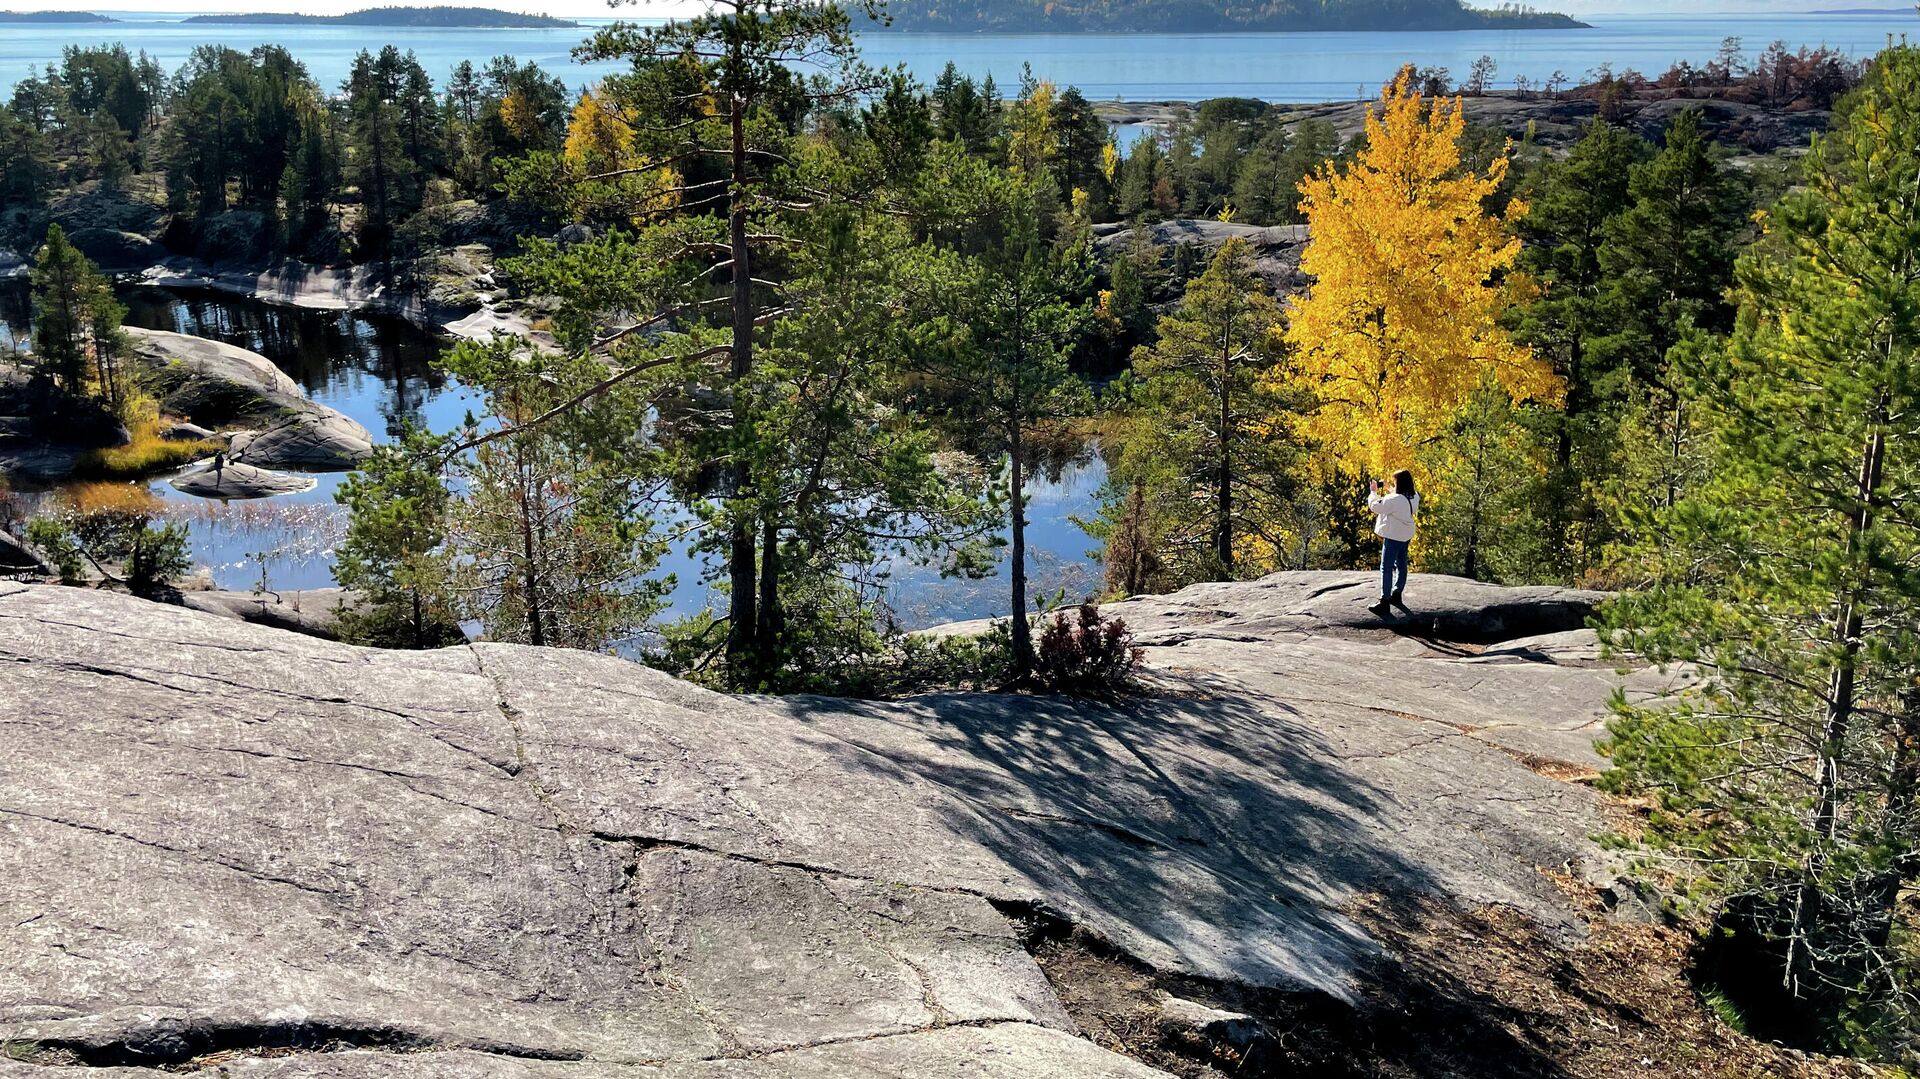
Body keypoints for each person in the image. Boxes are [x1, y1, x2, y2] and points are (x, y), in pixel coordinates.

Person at [1366, 469, 1418, 617]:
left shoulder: (1393, 499)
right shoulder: (1414, 496)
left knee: (1386, 568)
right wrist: (1389, 488)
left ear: (1399, 483)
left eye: (1395, 481)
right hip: (1405, 535)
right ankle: (1397, 594)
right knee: (1401, 565)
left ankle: (1384, 602)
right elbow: (1401, 499)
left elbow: (1375, 507)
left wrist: (1373, 492)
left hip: (1393, 536)